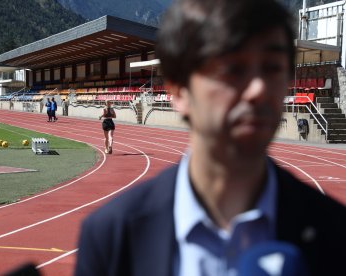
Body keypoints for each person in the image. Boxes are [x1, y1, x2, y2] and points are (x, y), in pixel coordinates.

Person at [75, 0, 346, 275]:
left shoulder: (335, 233)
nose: (258, 89)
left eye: (272, 68)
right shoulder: (111, 237)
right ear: (179, 91)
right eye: (233, 68)